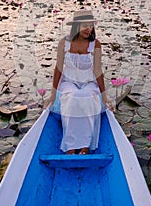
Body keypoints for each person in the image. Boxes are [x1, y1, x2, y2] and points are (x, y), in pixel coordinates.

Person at [43, 9, 113, 155]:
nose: (89, 29)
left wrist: (104, 96)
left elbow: (98, 71)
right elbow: (58, 68)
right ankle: (71, 145)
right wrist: (53, 94)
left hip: (89, 82)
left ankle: (85, 145)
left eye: (91, 25)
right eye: (84, 25)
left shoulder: (96, 44)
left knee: (87, 98)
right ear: (76, 26)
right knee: (72, 97)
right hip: (69, 82)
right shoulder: (64, 43)